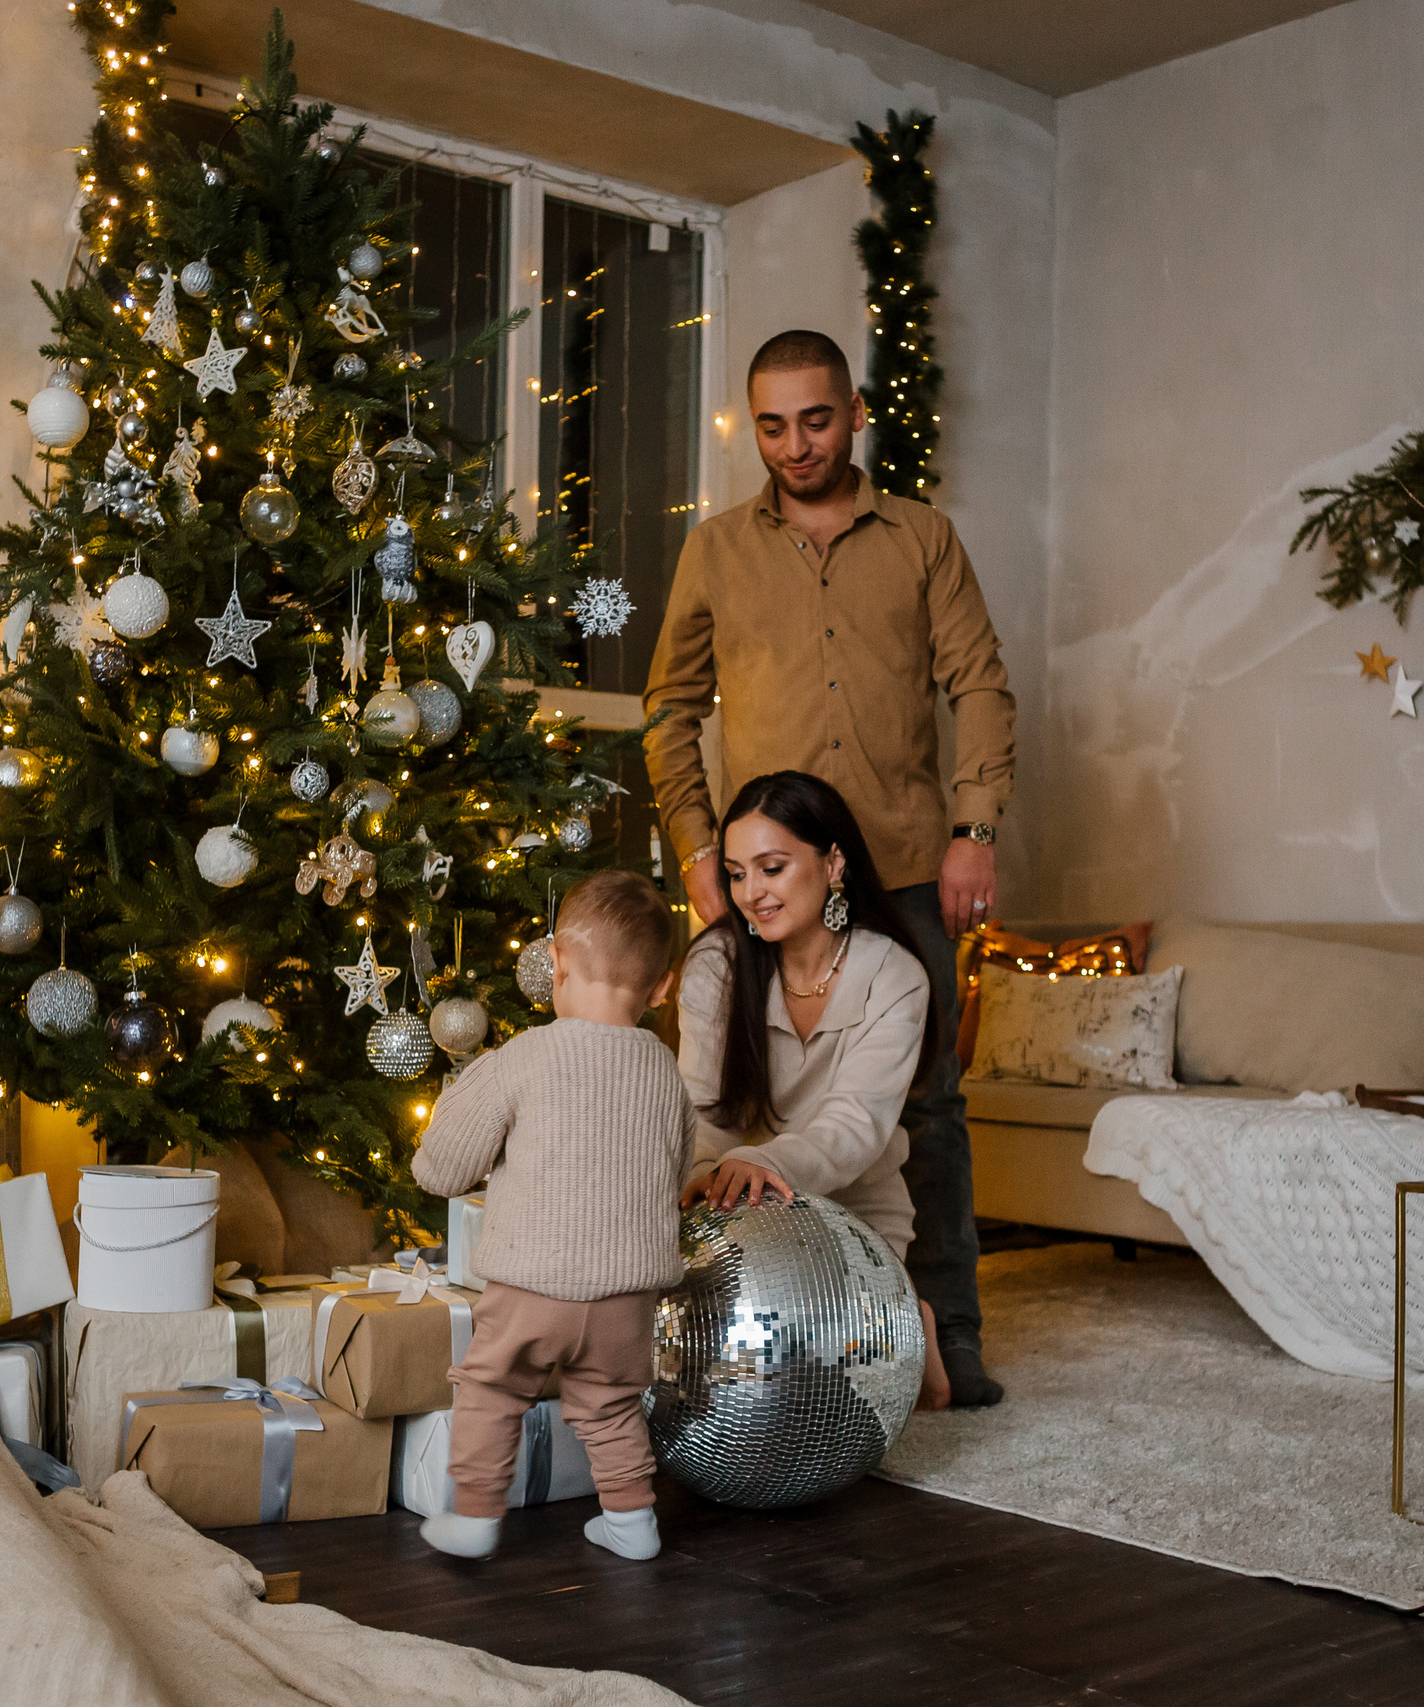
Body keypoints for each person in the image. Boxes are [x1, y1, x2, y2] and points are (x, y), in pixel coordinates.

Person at [644, 328, 1013, 1409]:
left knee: (929, 1107)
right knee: (732, 1093)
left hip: (899, 864)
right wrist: (699, 853)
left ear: (854, 413)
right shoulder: (714, 551)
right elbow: (670, 711)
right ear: (750, 427)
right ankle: (756, 1317)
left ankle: (943, 1328)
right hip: (770, 876)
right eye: (771, 424)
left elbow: (979, 685)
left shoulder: (923, 538)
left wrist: (973, 828)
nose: (795, 443)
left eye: (815, 418)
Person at [408, 869, 694, 1562]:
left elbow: (440, 1168)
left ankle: (475, 1514)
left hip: (532, 1284)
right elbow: (676, 1172)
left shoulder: (524, 1057)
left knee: (492, 1386)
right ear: (661, 988)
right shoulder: (666, 1071)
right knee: (610, 1401)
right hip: (629, 1293)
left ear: (556, 964)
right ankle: (631, 1518)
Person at [674, 770, 955, 1409]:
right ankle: (903, 1318)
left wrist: (760, 1161)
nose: (752, 893)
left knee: (823, 1400)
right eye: (738, 874)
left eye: (771, 868)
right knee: (737, 1387)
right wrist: (701, 1174)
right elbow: (703, 1108)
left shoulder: (895, 975)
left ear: (833, 862)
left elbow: (855, 1126)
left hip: (854, 1211)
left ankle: (909, 1317)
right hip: (735, 1201)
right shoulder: (715, 965)